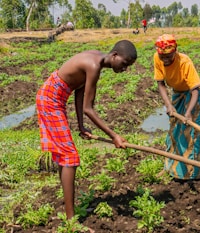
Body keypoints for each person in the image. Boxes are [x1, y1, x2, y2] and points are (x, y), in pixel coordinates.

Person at [36, 40, 137, 222]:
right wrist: (114, 136)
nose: (125, 69)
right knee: (70, 157)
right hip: (50, 101)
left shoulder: (96, 59)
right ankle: (71, 220)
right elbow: (89, 109)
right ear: (114, 55)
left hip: (55, 98)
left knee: (65, 156)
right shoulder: (93, 65)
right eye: (124, 64)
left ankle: (69, 210)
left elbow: (79, 90)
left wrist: (81, 126)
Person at [153, 34, 200, 180]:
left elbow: (195, 90)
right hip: (177, 94)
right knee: (174, 131)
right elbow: (160, 84)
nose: (166, 60)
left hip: (193, 96)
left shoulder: (185, 62)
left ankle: (193, 174)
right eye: (163, 57)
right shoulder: (157, 58)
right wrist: (169, 105)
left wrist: (188, 113)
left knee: (190, 133)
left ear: (175, 51)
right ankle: (170, 168)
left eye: (169, 56)